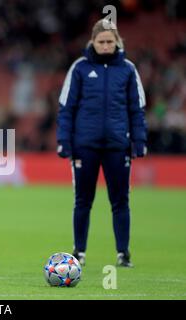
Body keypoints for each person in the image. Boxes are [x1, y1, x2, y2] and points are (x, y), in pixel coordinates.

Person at [56, 19, 147, 267]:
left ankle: (123, 253)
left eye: (110, 41)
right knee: (83, 200)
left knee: (120, 201)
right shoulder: (79, 68)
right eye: (101, 41)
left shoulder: (128, 69)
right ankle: (80, 252)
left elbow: (136, 108)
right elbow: (66, 107)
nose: (106, 46)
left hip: (118, 146)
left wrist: (139, 140)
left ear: (117, 42)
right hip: (85, 146)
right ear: (93, 42)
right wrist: (64, 140)